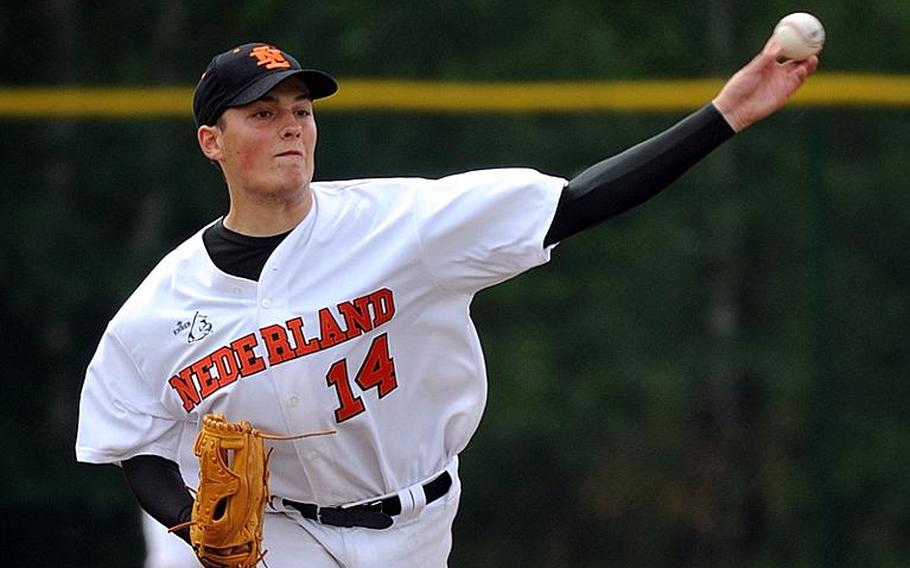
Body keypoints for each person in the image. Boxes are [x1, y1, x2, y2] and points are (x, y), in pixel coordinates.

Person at [76, 39, 818, 567]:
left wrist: (724, 115)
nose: (292, 127)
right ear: (212, 142)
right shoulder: (161, 309)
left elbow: (579, 202)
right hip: (281, 537)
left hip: (419, 524)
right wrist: (193, 523)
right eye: (261, 115)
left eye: (299, 109)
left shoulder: (402, 228)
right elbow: (134, 441)